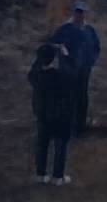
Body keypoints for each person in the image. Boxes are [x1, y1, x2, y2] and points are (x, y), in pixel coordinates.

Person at [29, 42, 78, 185]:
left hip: (43, 116)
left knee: (42, 145)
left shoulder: (36, 76)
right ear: (53, 58)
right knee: (61, 145)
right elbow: (72, 73)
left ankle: (41, 174)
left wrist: (41, 55)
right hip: (61, 116)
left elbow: (34, 69)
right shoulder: (61, 76)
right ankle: (58, 176)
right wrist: (65, 55)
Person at [51, 0, 101, 136]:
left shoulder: (89, 30)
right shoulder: (65, 28)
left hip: (84, 71)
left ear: (85, 14)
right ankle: (64, 127)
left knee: (82, 97)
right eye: (78, 12)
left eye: (82, 12)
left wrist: (91, 61)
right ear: (74, 13)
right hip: (68, 70)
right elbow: (53, 43)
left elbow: (96, 48)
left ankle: (80, 127)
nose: (80, 14)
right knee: (67, 98)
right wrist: (61, 49)